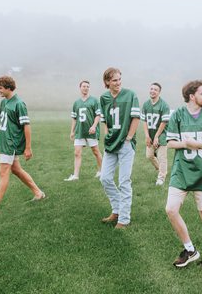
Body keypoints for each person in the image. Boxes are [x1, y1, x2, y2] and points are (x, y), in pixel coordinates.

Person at [165, 80, 202, 267]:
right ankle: (190, 249)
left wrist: (196, 144)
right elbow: (170, 142)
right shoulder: (178, 115)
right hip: (181, 170)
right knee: (171, 209)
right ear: (192, 96)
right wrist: (186, 144)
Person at [0, 76, 45, 214]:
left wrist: (28, 147)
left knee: (3, 172)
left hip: (11, 143)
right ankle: (39, 193)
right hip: (4, 142)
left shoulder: (19, 104)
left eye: (0, 88)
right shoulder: (3, 103)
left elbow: (26, 126)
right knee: (16, 170)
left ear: (8, 88)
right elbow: (2, 125)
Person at [98, 67, 140, 229]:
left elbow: (136, 118)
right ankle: (116, 210)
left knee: (124, 181)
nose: (118, 83)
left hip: (126, 144)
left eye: (119, 79)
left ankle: (124, 218)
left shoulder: (130, 95)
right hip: (111, 143)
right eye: (114, 80)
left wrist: (128, 138)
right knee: (105, 178)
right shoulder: (104, 98)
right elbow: (104, 120)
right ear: (107, 82)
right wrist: (107, 135)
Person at [65, 80, 103, 181]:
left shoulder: (94, 100)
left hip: (91, 131)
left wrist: (94, 126)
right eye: (84, 86)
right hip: (80, 131)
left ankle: (101, 171)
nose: (85, 88)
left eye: (87, 86)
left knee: (95, 151)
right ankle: (75, 175)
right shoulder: (76, 102)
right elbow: (74, 118)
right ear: (80, 88)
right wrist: (72, 131)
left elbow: (98, 115)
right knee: (77, 153)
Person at [140, 82, 171, 186]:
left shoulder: (164, 105)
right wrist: (147, 136)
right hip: (151, 133)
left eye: (155, 89)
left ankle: (161, 178)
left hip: (161, 134)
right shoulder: (145, 104)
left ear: (159, 92)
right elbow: (144, 121)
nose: (152, 91)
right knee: (149, 155)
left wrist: (157, 136)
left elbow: (164, 122)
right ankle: (161, 169)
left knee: (162, 157)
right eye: (151, 89)